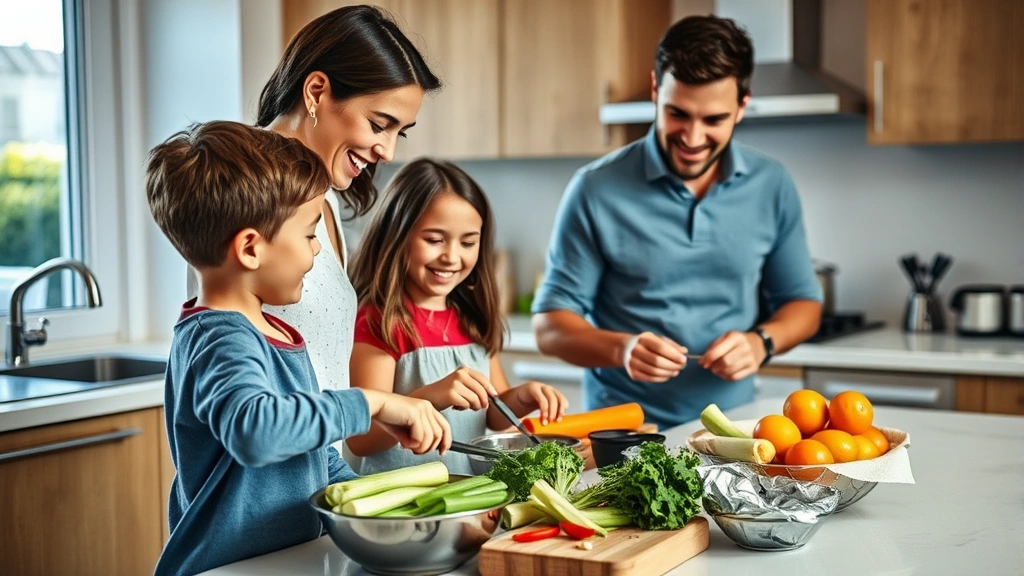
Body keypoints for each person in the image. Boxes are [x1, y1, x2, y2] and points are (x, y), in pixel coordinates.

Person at [149, 121, 452, 576]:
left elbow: (313, 456)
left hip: (285, 562)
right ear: (251, 249)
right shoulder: (219, 339)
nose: (315, 252)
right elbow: (257, 432)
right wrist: (372, 403)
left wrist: (376, 508)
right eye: (309, 235)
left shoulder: (277, 333)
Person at [531, 15, 823, 430]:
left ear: (742, 106)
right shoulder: (595, 188)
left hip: (733, 428)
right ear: (655, 90)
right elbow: (549, 325)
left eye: (713, 120)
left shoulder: (771, 184)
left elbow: (804, 304)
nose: (692, 137)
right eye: (678, 114)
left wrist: (761, 342)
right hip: (624, 433)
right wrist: (623, 349)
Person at [186, 5, 442, 405]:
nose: (388, 152)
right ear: (316, 92)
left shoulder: (326, 199)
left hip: (317, 463)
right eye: (378, 125)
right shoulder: (246, 190)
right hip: (264, 465)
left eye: (399, 134)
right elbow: (228, 382)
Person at [346, 158, 568, 475]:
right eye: (434, 240)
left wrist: (522, 397)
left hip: (462, 499)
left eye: (468, 242)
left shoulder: (471, 319)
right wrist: (429, 398)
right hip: (399, 510)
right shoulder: (380, 322)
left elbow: (492, 413)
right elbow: (361, 439)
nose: (452, 256)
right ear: (397, 235)